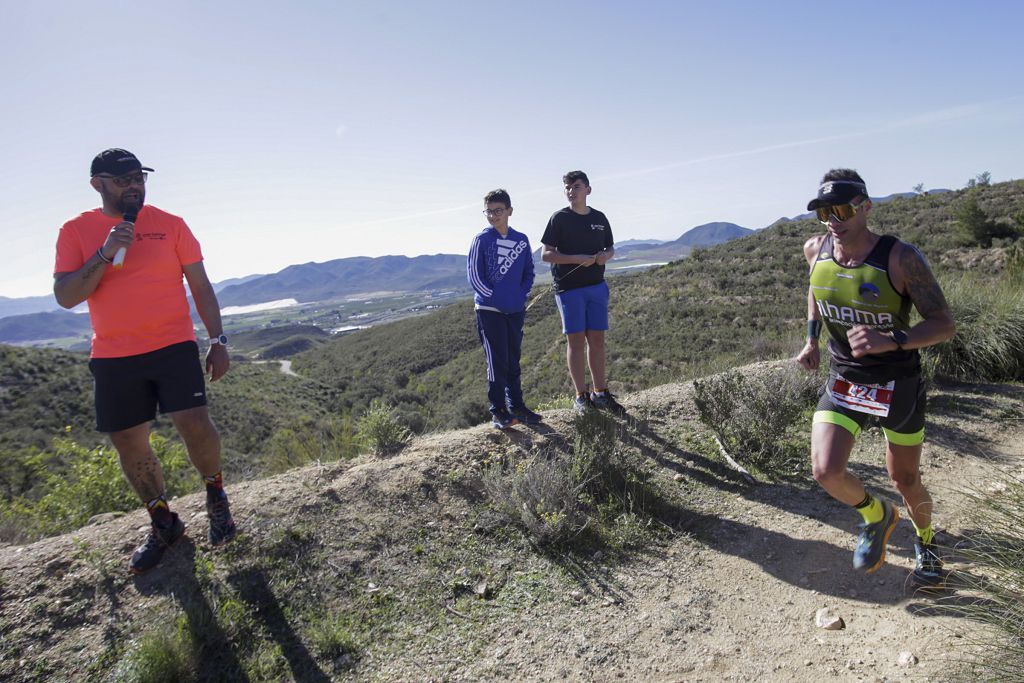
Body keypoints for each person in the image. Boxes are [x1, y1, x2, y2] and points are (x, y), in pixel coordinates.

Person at [53, 148, 237, 574]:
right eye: (123, 180)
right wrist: (102, 253)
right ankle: (163, 521)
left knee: (195, 423)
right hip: (115, 356)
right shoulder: (75, 231)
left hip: (172, 344)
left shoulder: (171, 225)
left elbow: (201, 286)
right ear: (97, 184)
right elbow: (66, 297)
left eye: (139, 177)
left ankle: (217, 499)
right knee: (129, 443)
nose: (134, 185)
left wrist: (218, 339)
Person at [796, 169, 955, 587]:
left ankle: (926, 539)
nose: (834, 218)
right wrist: (811, 340)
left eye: (843, 208)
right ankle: (876, 514)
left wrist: (892, 339)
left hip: (897, 381)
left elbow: (943, 324)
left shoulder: (901, 258)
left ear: (866, 207)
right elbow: (817, 289)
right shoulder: (816, 249)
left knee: (904, 479)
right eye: (825, 211)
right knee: (825, 470)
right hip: (845, 376)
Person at [541, 170, 624, 415]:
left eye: (576, 186)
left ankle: (601, 394)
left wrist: (604, 257)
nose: (571, 191)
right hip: (569, 290)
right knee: (576, 342)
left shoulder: (599, 218)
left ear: (588, 189)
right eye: (567, 187)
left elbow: (610, 248)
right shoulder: (559, 219)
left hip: (597, 287)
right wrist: (575, 258)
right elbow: (546, 254)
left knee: (597, 341)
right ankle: (580, 397)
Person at [467, 189, 541, 429]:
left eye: (498, 211)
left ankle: (517, 406)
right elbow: (475, 277)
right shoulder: (481, 239)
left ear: (509, 211)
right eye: (489, 211)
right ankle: (498, 410)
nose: (493, 216)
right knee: (496, 361)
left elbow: (529, 272)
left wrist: (521, 295)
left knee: (513, 360)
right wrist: (495, 297)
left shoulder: (521, 240)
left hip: (515, 310)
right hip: (489, 311)